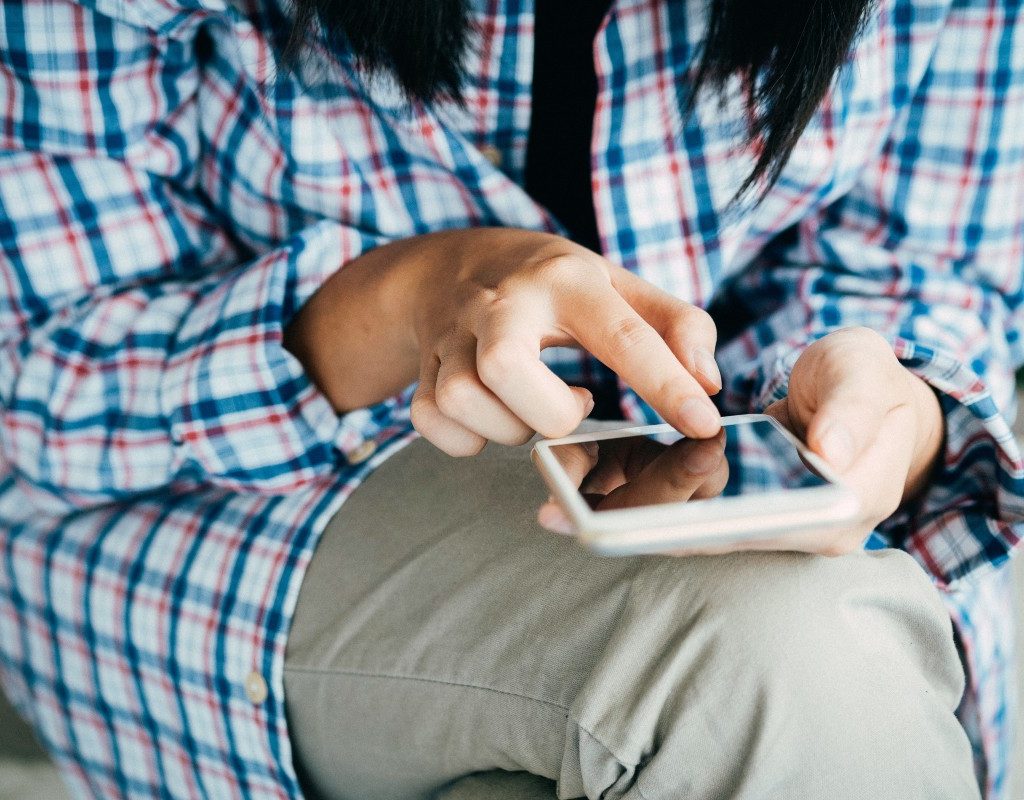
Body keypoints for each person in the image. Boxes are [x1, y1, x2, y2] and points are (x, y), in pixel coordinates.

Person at [0, 0, 1021, 797]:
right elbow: (42, 370)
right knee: (776, 661)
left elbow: (927, 262)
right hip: (212, 504)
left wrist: (903, 405)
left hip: (676, 476)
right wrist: (410, 299)